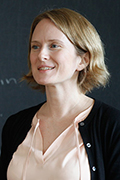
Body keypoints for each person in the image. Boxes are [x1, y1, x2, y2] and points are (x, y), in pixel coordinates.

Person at [0, 7, 120, 180]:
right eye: (35, 46)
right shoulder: (15, 125)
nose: (41, 55)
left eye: (54, 46)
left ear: (83, 60)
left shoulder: (112, 125)